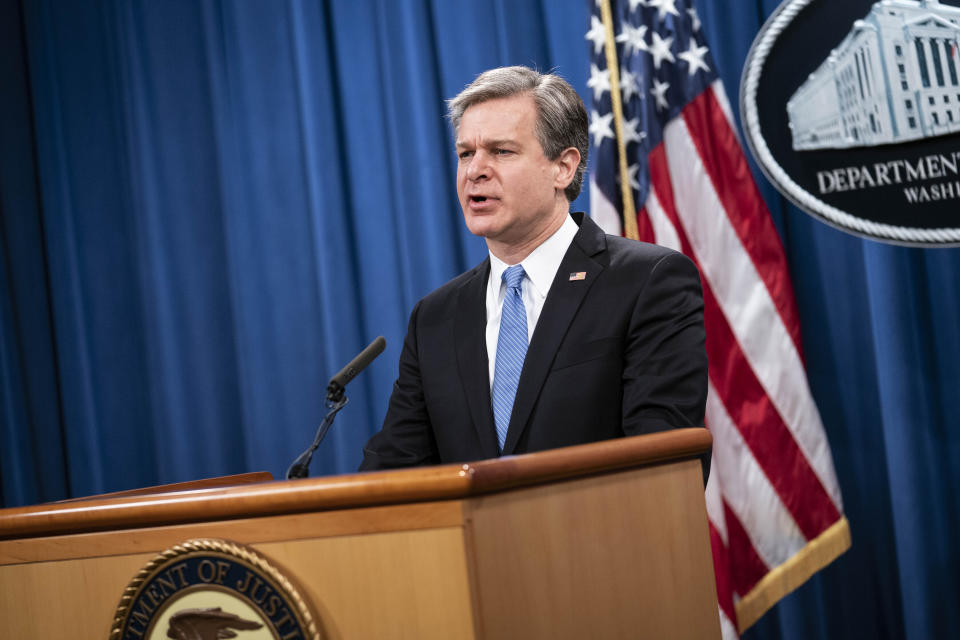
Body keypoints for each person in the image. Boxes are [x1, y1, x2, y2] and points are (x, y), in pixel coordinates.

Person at [360, 66, 706, 470]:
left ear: (563, 167)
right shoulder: (436, 317)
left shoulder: (647, 282)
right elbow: (393, 473)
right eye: (465, 153)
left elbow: (663, 464)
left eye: (501, 151)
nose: (475, 171)